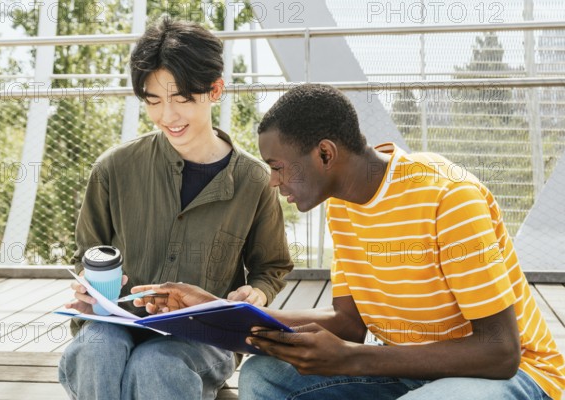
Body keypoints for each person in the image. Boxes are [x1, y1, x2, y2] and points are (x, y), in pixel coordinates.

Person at [132, 83, 565, 399]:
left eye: (279, 166)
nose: (272, 182)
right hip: (412, 367)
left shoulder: (448, 198)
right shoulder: (342, 205)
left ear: (325, 154)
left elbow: (501, 353)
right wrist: (221, 311)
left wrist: (355, 360)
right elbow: (349, 324)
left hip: (518, 375)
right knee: (265, 375)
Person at [57, 17, 293, 400]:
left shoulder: (254, 180)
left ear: (215, 90)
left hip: (204, 334)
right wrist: (88, 280)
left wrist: (258, 294)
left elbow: (272, 267)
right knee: (97, 351)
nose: (167, 115)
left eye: (181, 98)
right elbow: (87, 253)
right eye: (153, 100)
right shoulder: (113, 168)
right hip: (116, 324)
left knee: (157, 364)